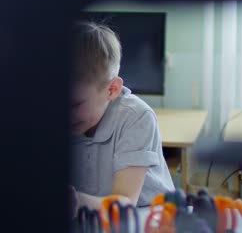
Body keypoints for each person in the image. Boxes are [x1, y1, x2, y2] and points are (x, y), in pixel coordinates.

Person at [69, 21, 174, 213]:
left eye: (75, 104)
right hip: (94, 218)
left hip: (146, 217)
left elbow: (125, 202)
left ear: (112, 89)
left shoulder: (136, 117)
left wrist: (76, 200)